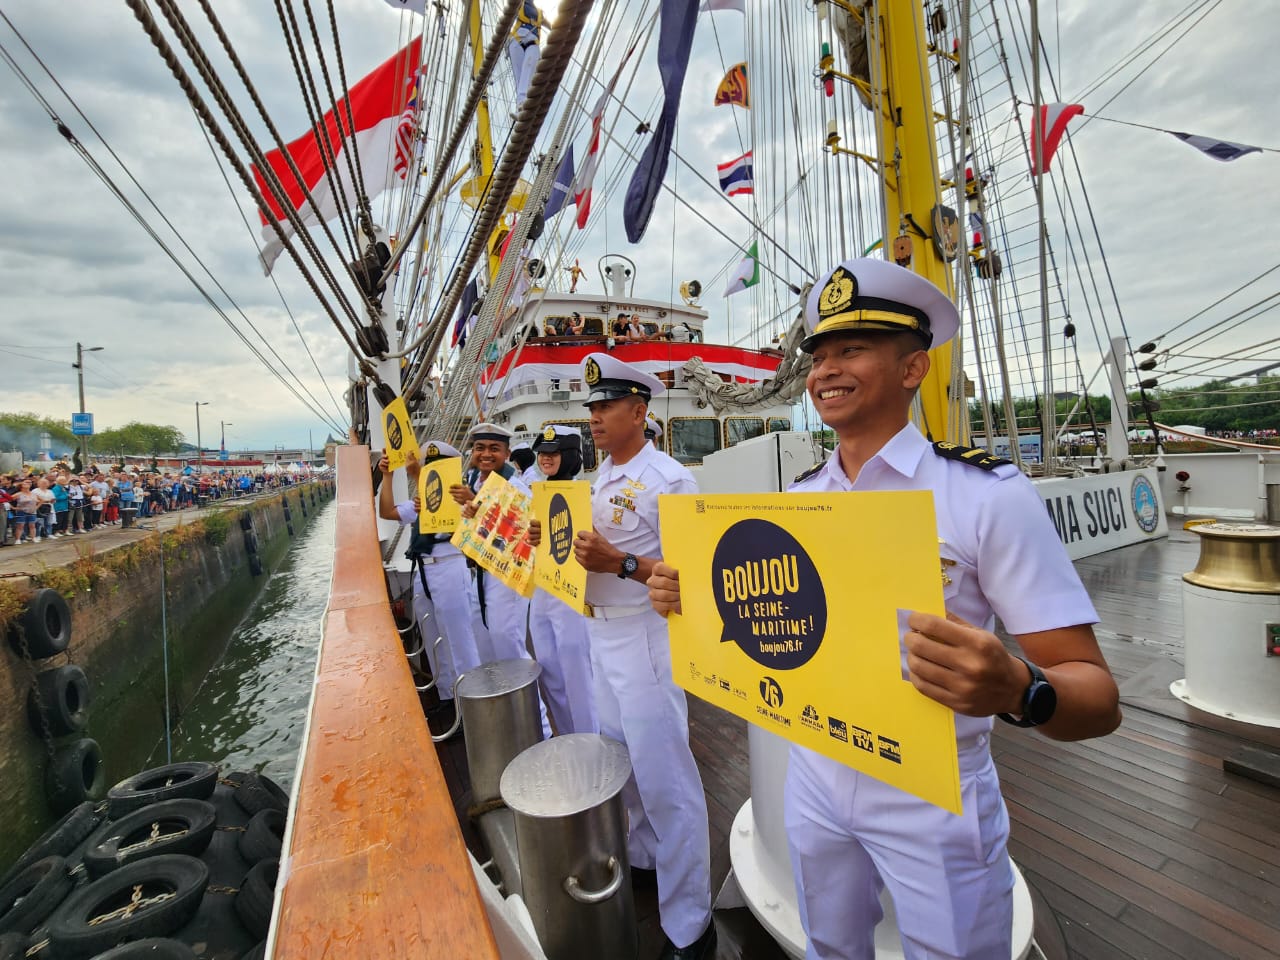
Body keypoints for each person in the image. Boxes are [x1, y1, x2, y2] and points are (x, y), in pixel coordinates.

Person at [648, 257, 1121, 960]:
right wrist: (690, 598)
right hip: (814, 772)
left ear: (912, 369)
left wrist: (1021, 689)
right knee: (829, 948)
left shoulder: (986, 497)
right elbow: (770, 622)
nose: (825, 370)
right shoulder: (800, 502)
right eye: (820, 355)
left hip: (933, 793)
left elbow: (1098, 696)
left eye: (853, 349)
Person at [572, 352, 715, 960]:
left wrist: (622, 564)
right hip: (600, 636)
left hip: (646, 638)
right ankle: (646, 860)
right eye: (593, 408)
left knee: (666, 780)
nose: (596, 417)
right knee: (619, 763)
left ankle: (689, 921)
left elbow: (696, 576)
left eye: (606, 407)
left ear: (639, 409)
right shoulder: (596, 481)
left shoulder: (670, 480)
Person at [378, 441, 482, 726]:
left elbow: (456, 511)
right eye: (430, 465)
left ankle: (471, 711)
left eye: (439, 466)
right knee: (433, 638)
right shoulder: (423, 497)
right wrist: (387, 476)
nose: (433, 471)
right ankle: (448, 697)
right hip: (423, 569)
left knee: (459, 641)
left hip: (450, 567)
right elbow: (387, 512)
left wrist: (417, 476)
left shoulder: (460, 498)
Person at [526, 425, 598, 735]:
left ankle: (590, 742)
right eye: (542, 453)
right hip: (543, 587)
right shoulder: (537, 494)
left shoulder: (586, 495)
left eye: (553, 453)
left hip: (570, 588)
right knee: (548, 668)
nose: (546, 458)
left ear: (569, 457)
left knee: (577, 670)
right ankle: (569, 737)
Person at [506, 0, 542, 108]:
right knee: (519, 76)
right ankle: (520, 105)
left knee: (529, 68)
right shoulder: (518, 4)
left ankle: (524, 102)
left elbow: (551, 25)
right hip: (517, 40)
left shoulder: (540, 12)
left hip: (533, 42)